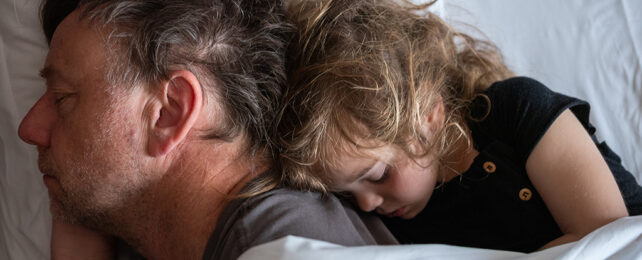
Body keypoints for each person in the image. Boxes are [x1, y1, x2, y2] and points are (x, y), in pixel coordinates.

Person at [18, 0, 397, 259]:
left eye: (64, 98)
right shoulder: (130, 218)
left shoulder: (286, 244)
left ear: (169, 112)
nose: (28, 128)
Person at [277, 0, 642, 253]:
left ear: (430, 114)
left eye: (377, 174)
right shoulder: (403, 222)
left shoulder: (515, 110)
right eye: (346, 194)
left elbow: (607, 236)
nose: (368, 204)